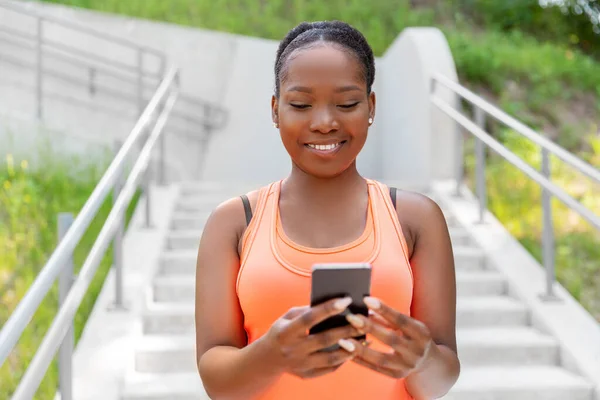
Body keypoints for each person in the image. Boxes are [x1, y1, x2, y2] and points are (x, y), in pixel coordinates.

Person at [194, 20, 460, 400]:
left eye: (347, 103)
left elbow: (441, 378)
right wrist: (270, 356)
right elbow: (216, 384)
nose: (323, 123)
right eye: (301, 104)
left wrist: (422, 360)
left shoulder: (415, 219)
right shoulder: (233, 223)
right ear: (275, 110)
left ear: (370, 106)